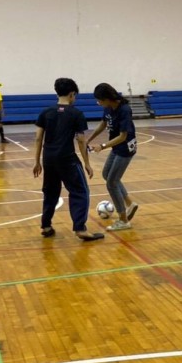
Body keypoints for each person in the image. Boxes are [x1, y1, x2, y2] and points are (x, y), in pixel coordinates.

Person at [32, 78, 103, 241]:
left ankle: (46, 226)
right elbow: (80, 140)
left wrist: (37, 161)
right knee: (80, 191)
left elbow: (38, 139)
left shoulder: (46, 112)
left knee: (50, 193)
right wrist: (86, 163)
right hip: (67, 159)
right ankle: (80, 229)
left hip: (48, 158)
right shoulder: (76, 113)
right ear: (72, 94)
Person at [85, 83, 140, 231]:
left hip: (126, 148)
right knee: (106, 174)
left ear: (107, 98)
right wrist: (89, 139)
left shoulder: (124, 110)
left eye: (100, 100)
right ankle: (129, 204)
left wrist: (102, 146)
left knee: (111, 183)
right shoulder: (108, 108)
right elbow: (103, 124)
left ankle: (123, 220)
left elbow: (123, 137)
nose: (99, 103)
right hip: (116, 147)